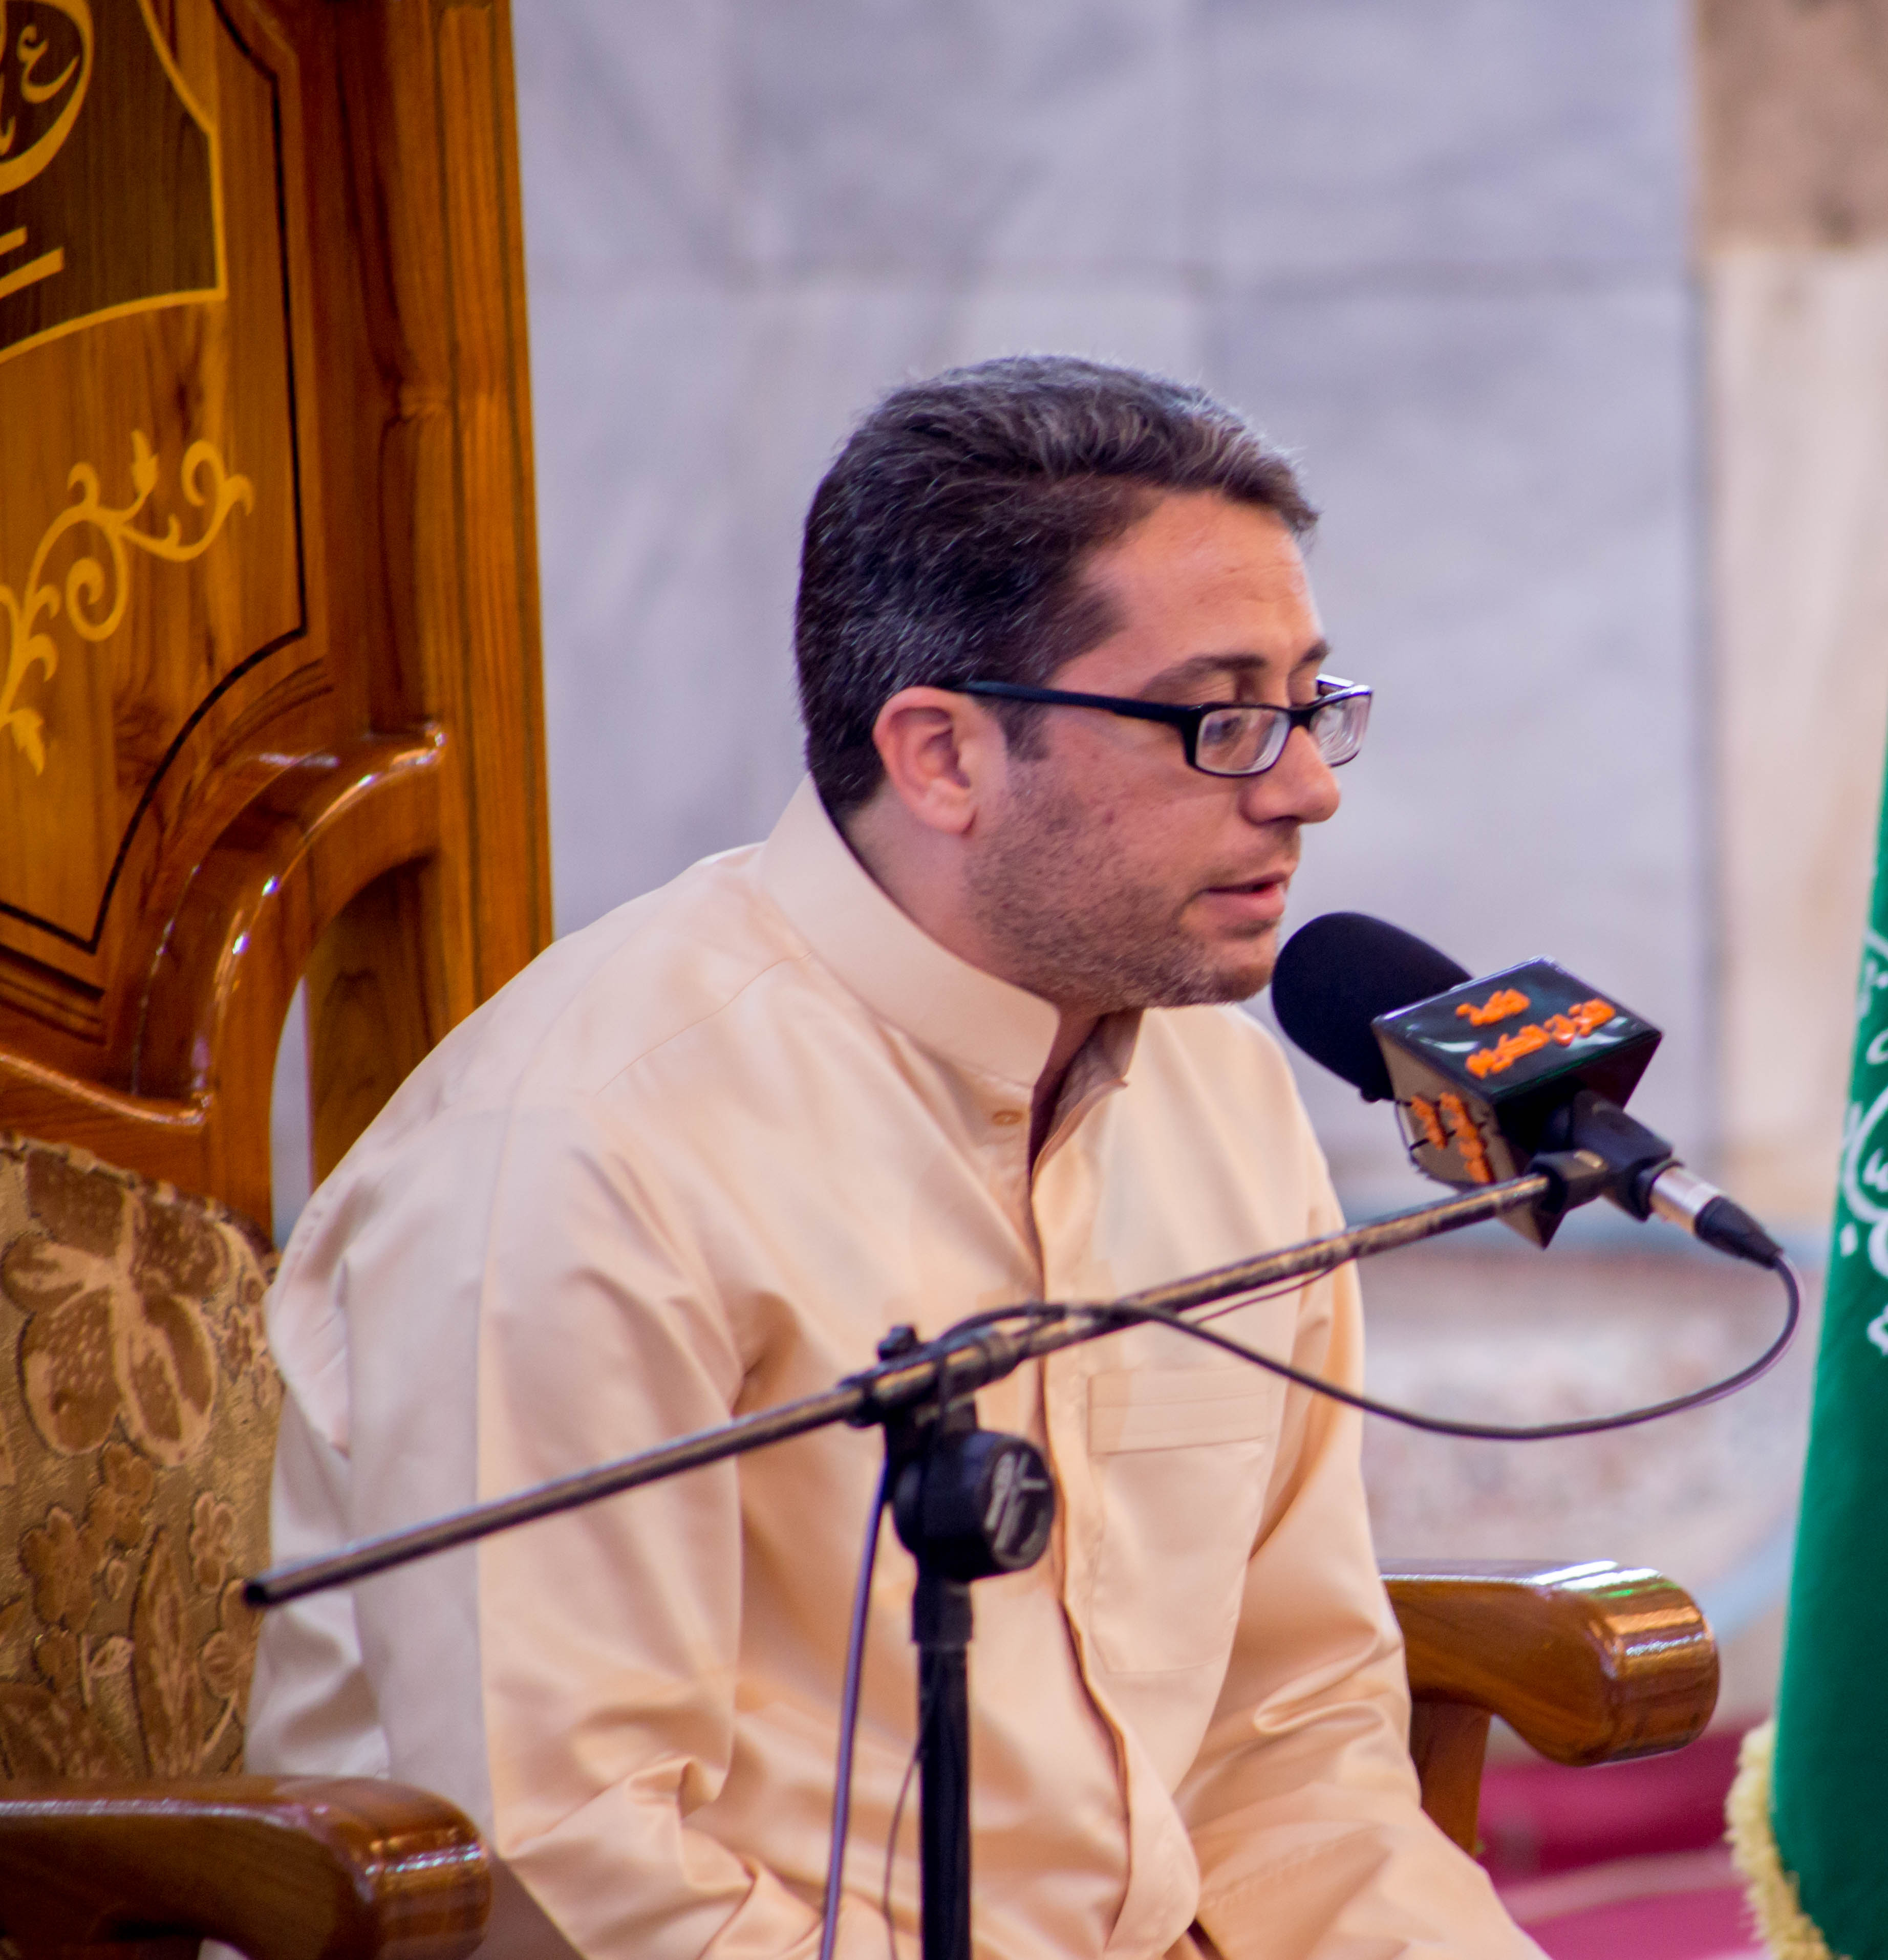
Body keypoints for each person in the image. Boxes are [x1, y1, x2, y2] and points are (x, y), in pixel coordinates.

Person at [246, 357, 1544, 1960]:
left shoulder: (1217, 1087)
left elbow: (1292, 1749)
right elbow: (561, 1863)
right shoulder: (581, 1153)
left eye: (1311, 703)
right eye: (1222, 720)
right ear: (943, 756)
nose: (1307, 787)